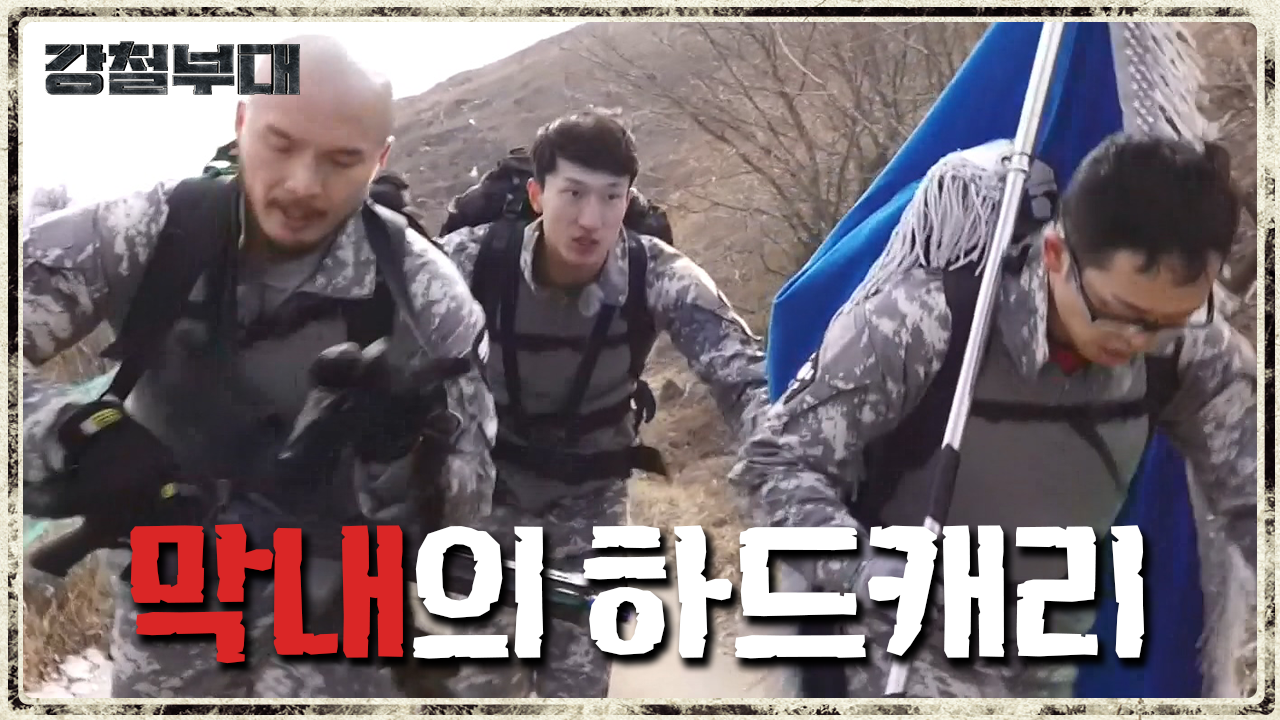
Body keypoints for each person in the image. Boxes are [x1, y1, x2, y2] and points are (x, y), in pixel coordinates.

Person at [21, 34, 498, 699]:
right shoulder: (149, 232)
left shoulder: (425, 298)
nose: (303, 184)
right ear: (242, 121)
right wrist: (67, 438)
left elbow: (469, 499)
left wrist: (408, 454)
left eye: (341, 160)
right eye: (281, 143)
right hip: (173, 600)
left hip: (335, 614)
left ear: (380, 161)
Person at [727, 132, 1256, 698]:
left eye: (1170, 321)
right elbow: (773, 464)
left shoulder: (1189, 353)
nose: (1139, 340)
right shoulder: (923, 321)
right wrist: (865, 570)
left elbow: (1255, 495)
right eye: (1117, 312)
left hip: (1043, 658)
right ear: (1056, 256)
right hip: (898, 652)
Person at [425, 110, 771, 698]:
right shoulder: (467, 261)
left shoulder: (659, 274)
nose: (591, 219)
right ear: (537, 195)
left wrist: (784, 470)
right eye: (573, 194)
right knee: (483, 685)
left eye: (611, 198)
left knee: (579, 687)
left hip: (593, 501)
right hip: (488, 494)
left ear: (628, 199)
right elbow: (383, 348)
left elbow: (744, 377)